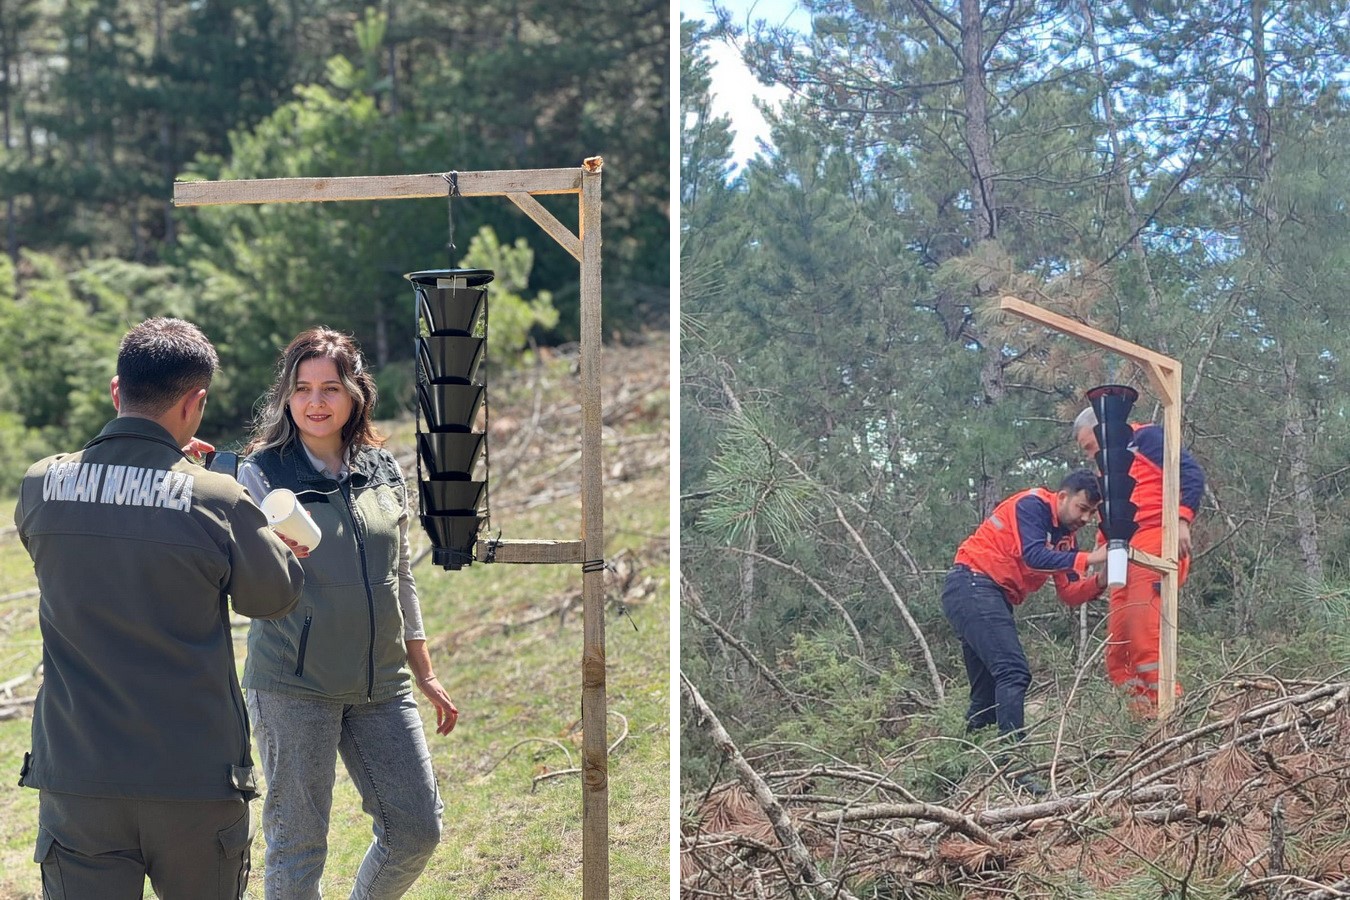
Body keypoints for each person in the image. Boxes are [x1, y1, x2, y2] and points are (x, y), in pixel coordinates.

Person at [14, 317, 306, 899]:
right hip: (193, 778)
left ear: (116, 390)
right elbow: (272, 597)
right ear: (195, 402)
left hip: (78, 776)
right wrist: (274, 543)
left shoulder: (40, 484)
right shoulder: (217, 497)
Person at [238, 326, 458, 899]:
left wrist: (425, 671)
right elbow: (244, 580)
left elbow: (400, 576)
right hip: (294, 684)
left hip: (382, 683)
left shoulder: (382, 468)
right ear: (287, 397)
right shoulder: (260, 473)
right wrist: (273, 556)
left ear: (355, 394)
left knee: (416, 830)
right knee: (298, 847)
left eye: (330, 388)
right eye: (303, 388)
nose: (316, 402)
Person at [942, 470, 1108, 757]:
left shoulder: (1066, 540)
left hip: (985, 594)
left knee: (986, 696)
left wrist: (1101, 581)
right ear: (1062, 497)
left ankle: (960, 767)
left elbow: (1069, 593)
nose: (1085, 518)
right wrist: (1091, 557)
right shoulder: (1032, 506)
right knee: (1013, 672)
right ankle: (1014, 762)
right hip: (972, 584)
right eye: (1082, 508)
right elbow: (1034, 556)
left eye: (1092, 513)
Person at [1074, 406, 1206, 712]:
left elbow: (1190, 474)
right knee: (1118, 649)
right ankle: (1142, 720)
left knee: (1144, 634)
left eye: (1090, 446)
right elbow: (1111, 514)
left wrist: (1182, 520)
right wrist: (1101, 557)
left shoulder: (1146, 439)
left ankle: (1171, 714)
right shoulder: (1107, 469)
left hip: (1155, 539)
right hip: (1123, 551)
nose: (1091, 454)